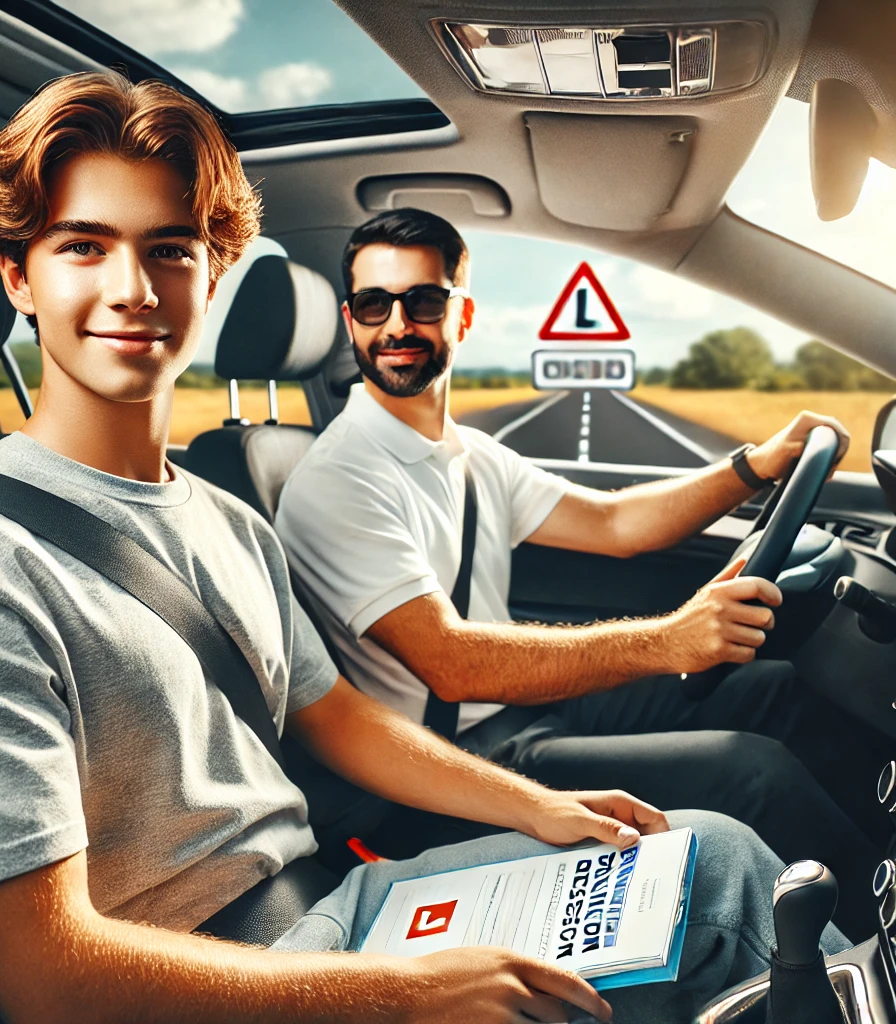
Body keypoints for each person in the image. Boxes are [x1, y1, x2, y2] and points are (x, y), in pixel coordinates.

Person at [0, 72, 845, 1024]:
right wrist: (406, 992)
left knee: (712, 866)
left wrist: (534, 807)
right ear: (17, 275)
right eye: (83, 246)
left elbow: (338, 721)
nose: (131, 288)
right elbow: (48, 983)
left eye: (168, 249)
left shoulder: (221, 517)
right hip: (219, 980)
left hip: (332, 909)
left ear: (210, 277)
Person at [274, 208, 890, 939]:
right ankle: (869, 947)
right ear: (350, 321)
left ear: (462, 314)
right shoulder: (340, 478)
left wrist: (755, 465)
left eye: (424, 301)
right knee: (749, 772)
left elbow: (617, 524)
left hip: (520, 715)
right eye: (375, 305)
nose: (397, 325)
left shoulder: (467, 453)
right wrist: (668, 640)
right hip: (451, 765)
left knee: (776, 693)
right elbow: (453, 665)